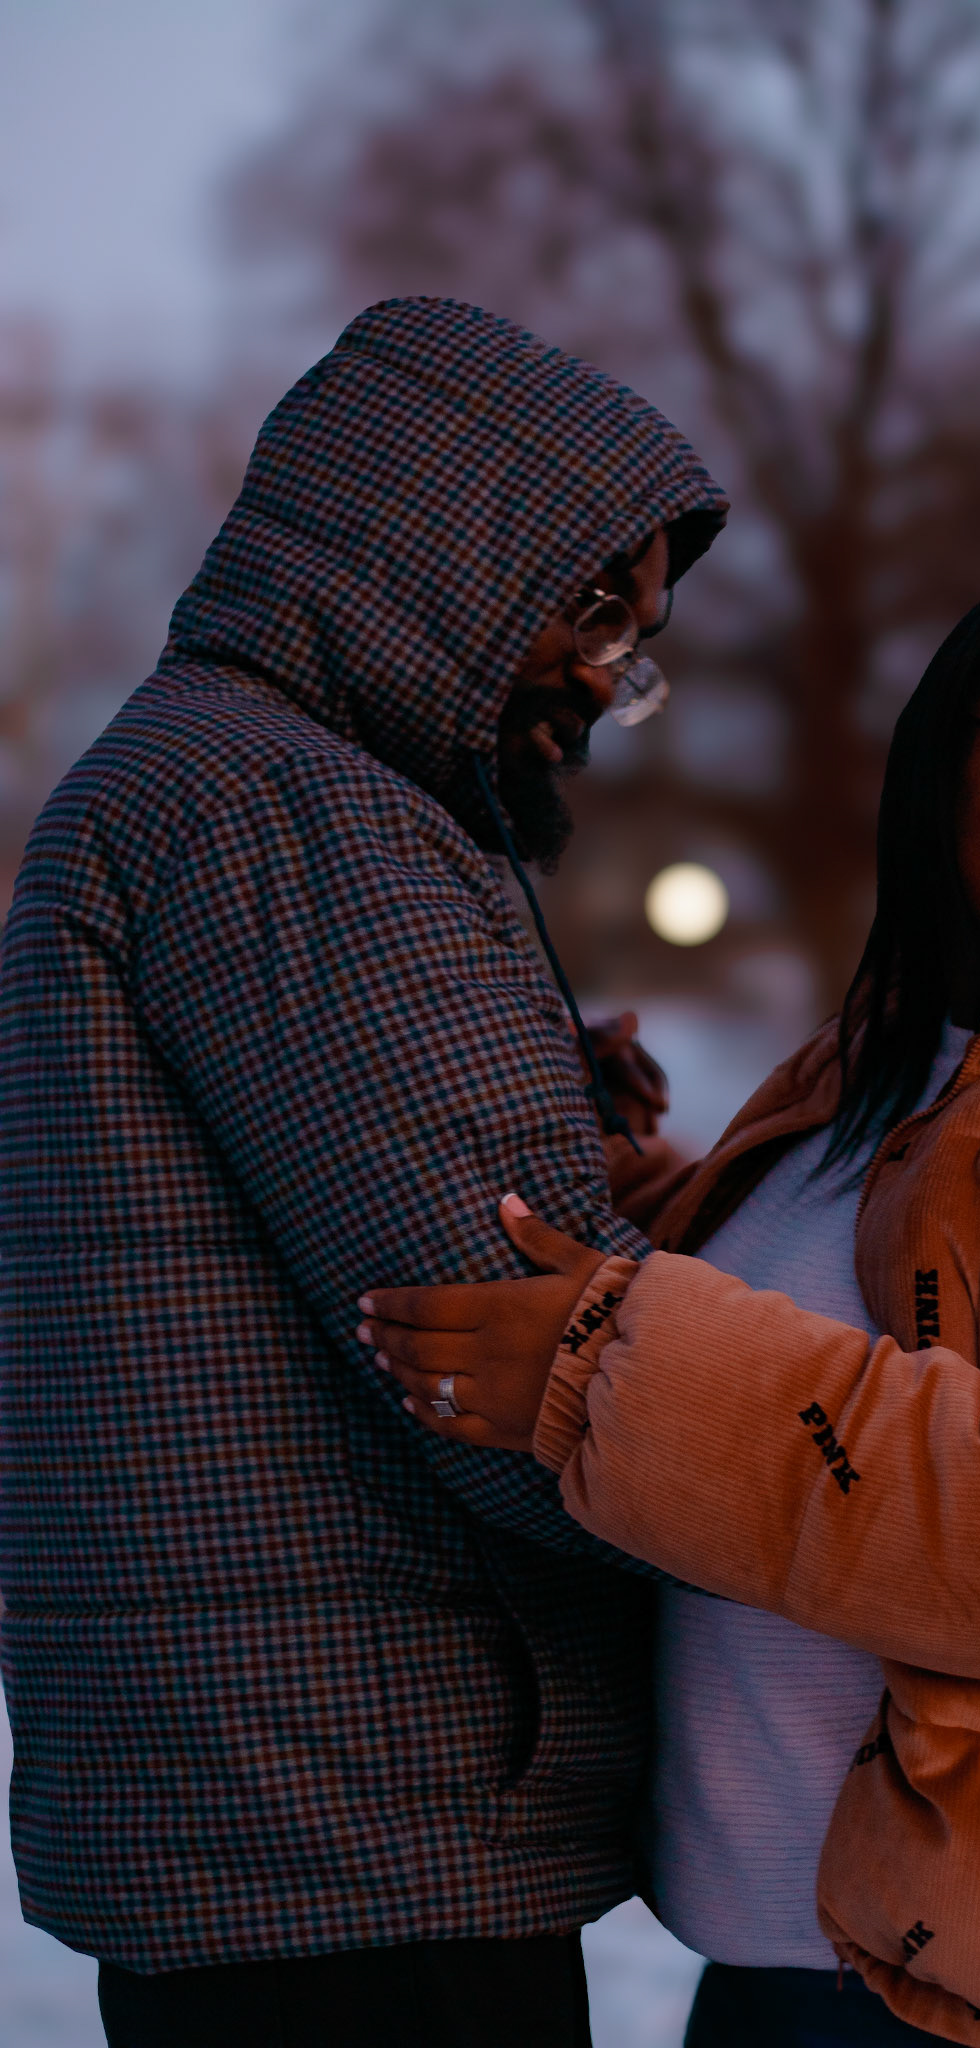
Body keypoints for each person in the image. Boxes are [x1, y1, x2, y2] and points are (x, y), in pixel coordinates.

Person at [361, 561, 980, 2048]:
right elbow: (846, 1307)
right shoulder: (887, 1057)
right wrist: (599, 1159)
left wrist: (619, 1374)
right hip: (781, 1970)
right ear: (944, 757)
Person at [0, 296, 726, 2048]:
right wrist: (874, 1459)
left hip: (282, 1811)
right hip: (355, 1823)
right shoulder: (291, 813)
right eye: (586, 607)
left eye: (635, 638)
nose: (604, 677)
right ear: (438, 552)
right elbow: (509, 1359)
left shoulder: (203, 783)